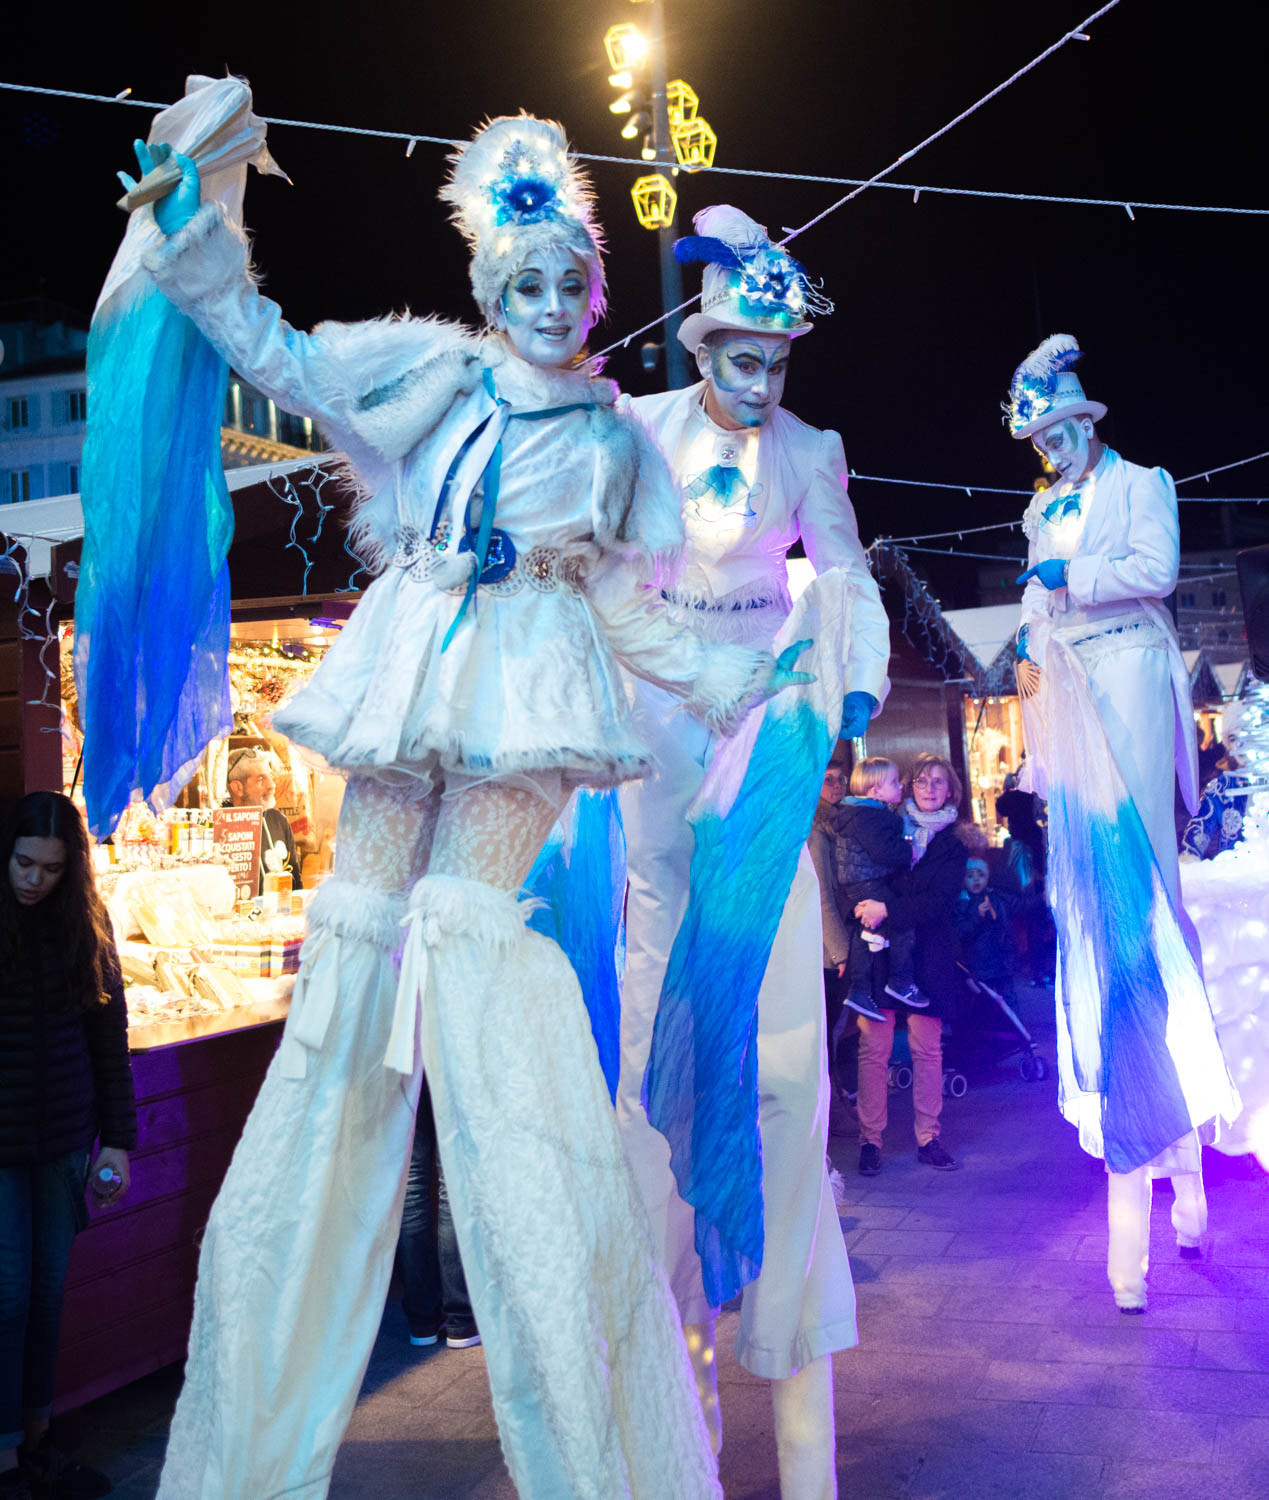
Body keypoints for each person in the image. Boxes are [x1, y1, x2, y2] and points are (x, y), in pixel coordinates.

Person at [123, 117, 811, 1499]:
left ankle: (551, 1306)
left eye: (571, 286)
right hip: (410, 662)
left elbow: (623, 601)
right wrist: (197, 242)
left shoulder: (615, 446)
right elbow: (291, 361)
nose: (551, 307)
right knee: (357, 932)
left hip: (532, 694)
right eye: (527, 285)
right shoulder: (438, 373)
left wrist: (736, 676)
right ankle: (287, 1317)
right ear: (491, 292)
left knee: (461, 926)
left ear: (596, 298)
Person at [617, 203, 890, 1499]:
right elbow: (600, 566)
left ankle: (771, 1091)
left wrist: (850, 691)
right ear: (701, 343)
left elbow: (840, 578)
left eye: (776, 363)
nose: (759, 383)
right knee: (666, 965)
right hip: (664, 724)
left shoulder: (809, 452)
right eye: (740, 357)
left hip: (764, 732)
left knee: (776, 1023)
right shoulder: (641, 435)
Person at [1006, 333, 1239, 1311]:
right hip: (1067, 688)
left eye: (1061, 428)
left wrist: (1072, 583)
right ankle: (1133, 1125)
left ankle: (1175, 1149)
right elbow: (1033, 595)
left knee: (1145, 902)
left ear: (1084, 420)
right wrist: (1032, 620)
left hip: (1133, 674)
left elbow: (1159, 566)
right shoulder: (1035, 507)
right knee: (1096, 912)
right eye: (1039, 436)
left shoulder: (1146, 481)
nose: (1052, 448)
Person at [1, 792, 137, 1500]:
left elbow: (107, 1039)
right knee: (9, 1295)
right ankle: (6, 1457)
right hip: (1, 1149)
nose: (33, 880)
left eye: (50, 869)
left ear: (70, 870)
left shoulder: (87, 926)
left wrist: (117, 1139)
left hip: (61, 1140)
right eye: (24, 863)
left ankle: (39, 1440)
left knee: (48, 1294)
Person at [854, 754, 968, 1176]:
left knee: (926, 1050)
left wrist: (887, 907)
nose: (930, 788)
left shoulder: (953, 845)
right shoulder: (888, 830)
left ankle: (929, 1137)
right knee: (874, 1050)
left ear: (951, 790)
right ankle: (870, 1140)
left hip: (930, 954)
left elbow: (937, 904)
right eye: (922, 781)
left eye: (939, 782)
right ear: (910, 786)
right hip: (883, 952)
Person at [833, 756, 928, 1022]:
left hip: (855, 882)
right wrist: (909, 849)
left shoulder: (855, 813)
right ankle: (900, 981)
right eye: (895, 782)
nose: (901, 786)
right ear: (875, 791)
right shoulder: (871, 817)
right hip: (868, 881)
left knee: (867, 932)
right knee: (902, 925)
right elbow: (884, 851)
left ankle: (859, 990)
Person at [396, 1075, 478, 1350]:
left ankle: (422, 1321)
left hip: (399, 1048)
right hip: (446, 1041)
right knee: (452, 1179)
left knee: (411, 1181)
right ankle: (460, 1318)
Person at [223, 747, 302, 894]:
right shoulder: (220, 825)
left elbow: (295, 882)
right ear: (237, 788)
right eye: (261, 779)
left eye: (270, 776)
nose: (272, 785)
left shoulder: (278, 821)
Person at [953, 856, 1020, 1000]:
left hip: (1002, 963)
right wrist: (977, 916)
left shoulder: (997, 897)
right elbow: (961, 931)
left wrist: (1043, 898)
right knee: (984, 1002)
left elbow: (1021, 905)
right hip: (978, 966)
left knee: (1009, 1002)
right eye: (970, 876)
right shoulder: (962, 903)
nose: (976, 880)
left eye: (981, 875)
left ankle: (1011, 1022)